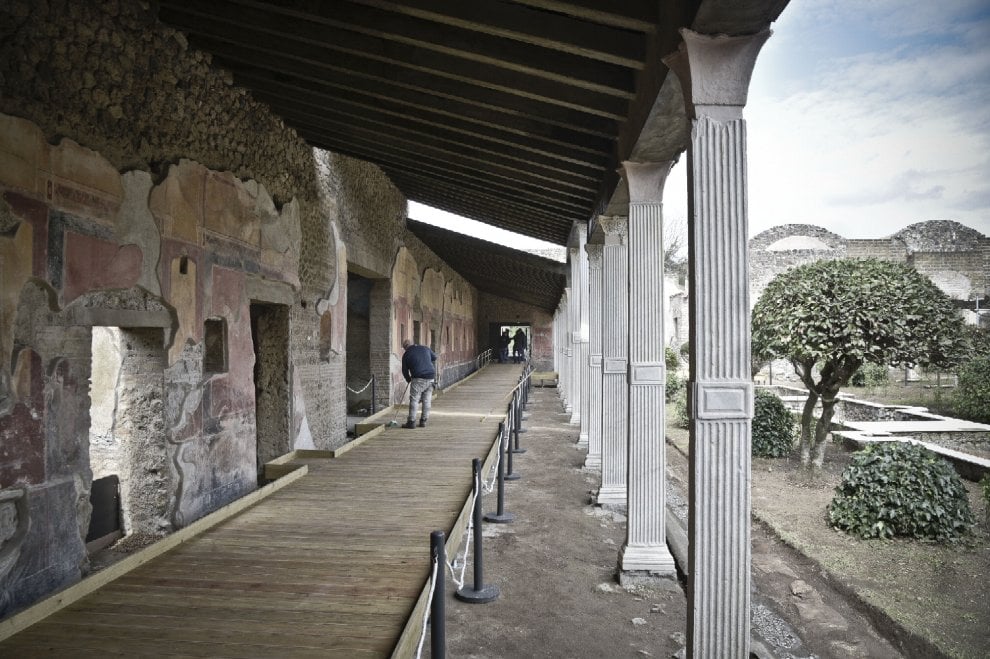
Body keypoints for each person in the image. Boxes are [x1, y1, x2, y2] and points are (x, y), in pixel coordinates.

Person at [401, 338, 437, 428]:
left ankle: (411, 422)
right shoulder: (425, 348)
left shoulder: (406, 354)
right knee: (427, 399)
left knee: (414, 399)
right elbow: (435, 357)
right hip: (430, 376)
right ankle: (423, 421)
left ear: (405, 348)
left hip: (418, 378)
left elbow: (404, 370)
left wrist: (408, 379)